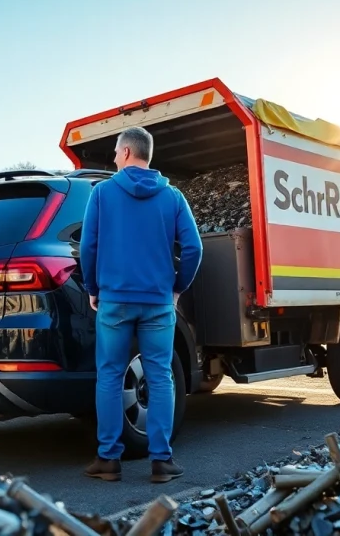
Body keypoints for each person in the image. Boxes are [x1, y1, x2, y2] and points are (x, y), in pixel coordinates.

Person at [79, 126, 203, 483]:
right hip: (158, 303)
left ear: (129, 153)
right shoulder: (173, 197)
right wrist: (177, 287)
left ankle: (108, 460)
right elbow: (194, 249)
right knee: (161, 377)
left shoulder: (102, 194)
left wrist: (92, 287)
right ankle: (161, 461)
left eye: (117, 152)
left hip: (114, 300)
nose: (115, 158)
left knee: (110, 376)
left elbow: (88, 247)